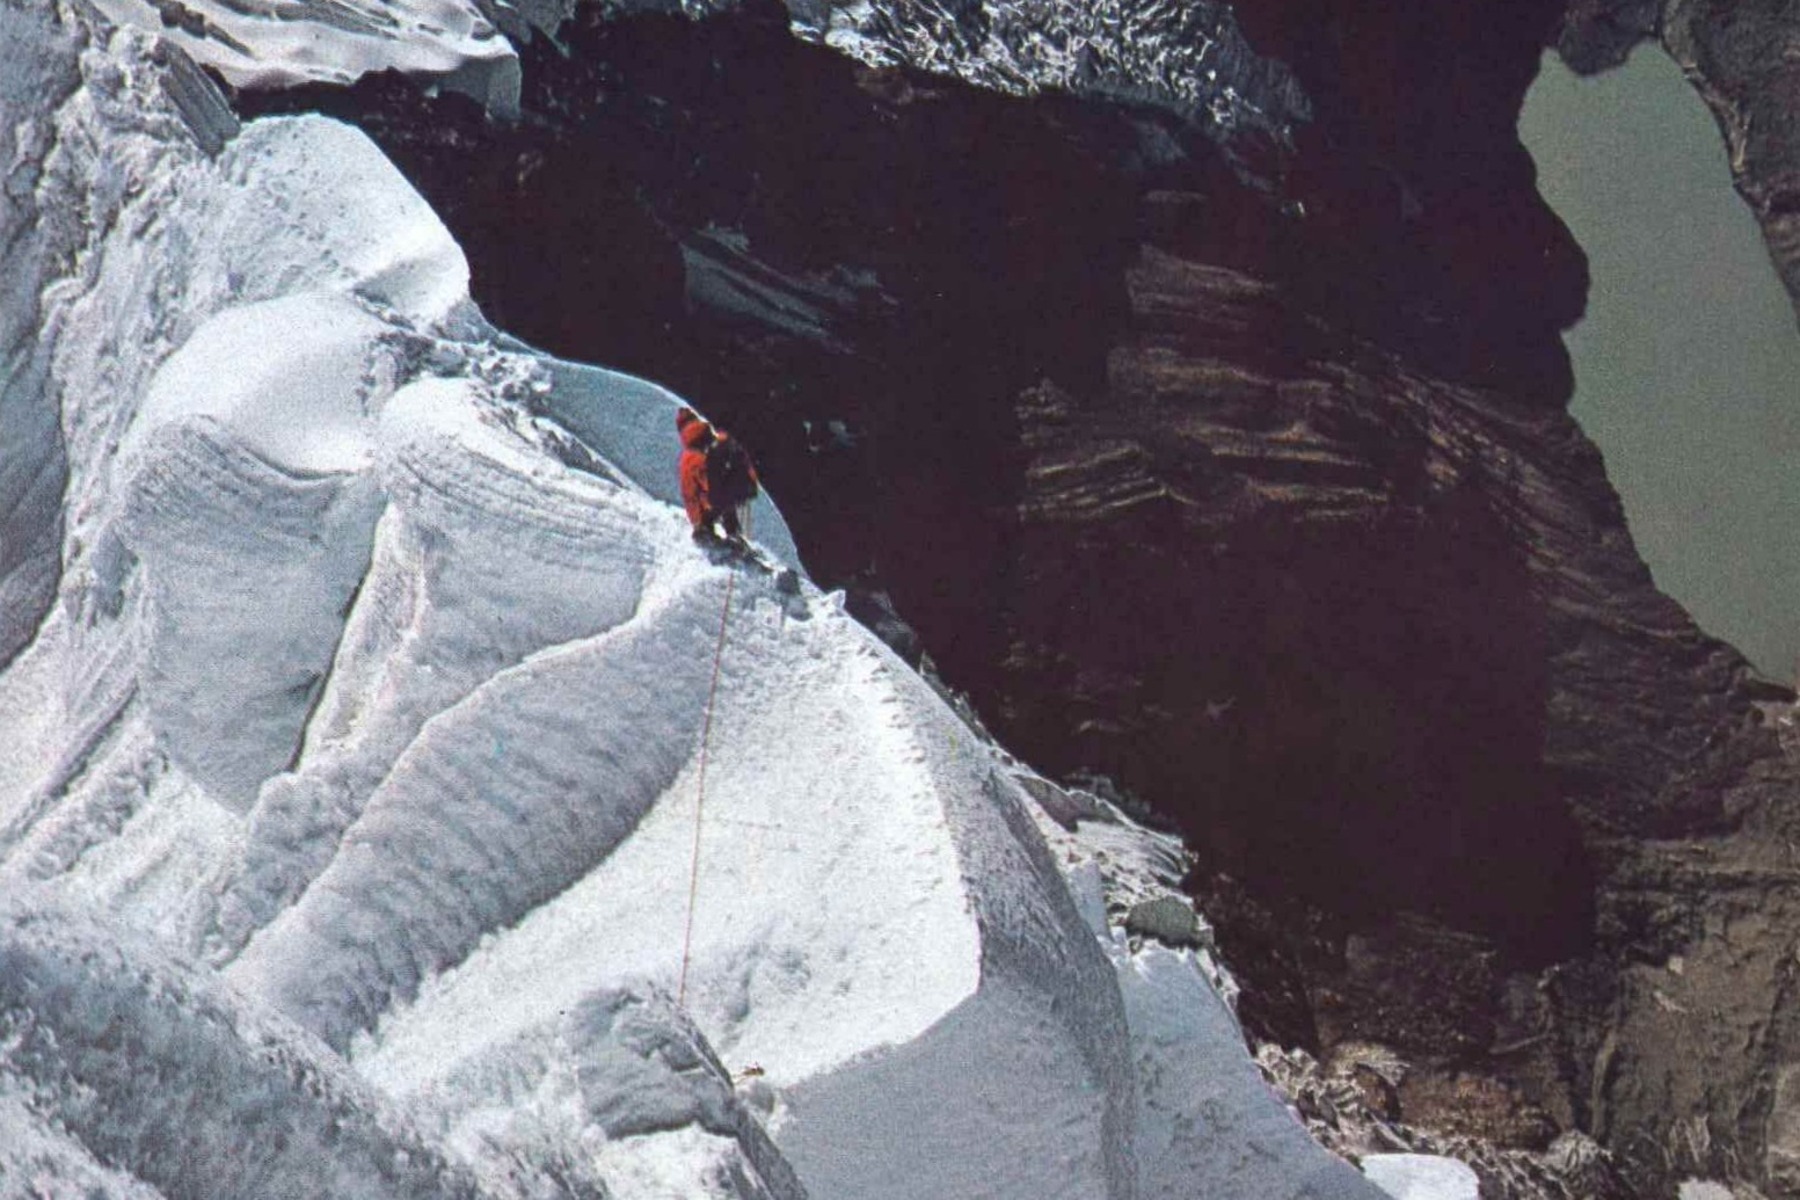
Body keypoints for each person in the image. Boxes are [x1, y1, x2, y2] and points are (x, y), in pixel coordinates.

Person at [676, 406, 759, 543]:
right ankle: (734, 533)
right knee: (727, 499)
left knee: (709, 503)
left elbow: (689, 493)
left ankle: (707, 534)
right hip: (740, 489)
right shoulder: (722, 438)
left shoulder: (688, 458)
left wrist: (697, 522)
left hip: (713, 501)